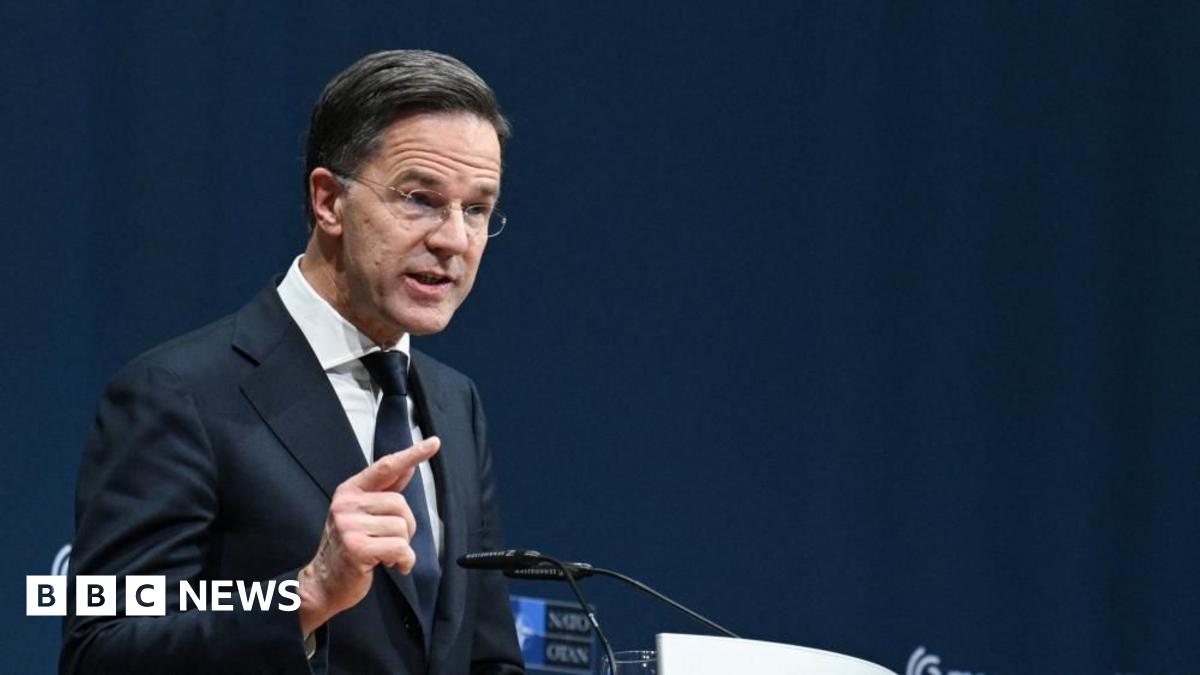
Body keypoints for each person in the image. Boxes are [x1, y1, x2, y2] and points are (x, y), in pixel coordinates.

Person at [61, 50, 524, 674]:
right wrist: (304, 595)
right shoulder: (177, 393)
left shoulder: (454, 402)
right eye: (419, 198)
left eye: (476, 210)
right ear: (329, 200)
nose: (453, 240)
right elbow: (101, 650)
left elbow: (487, 657)